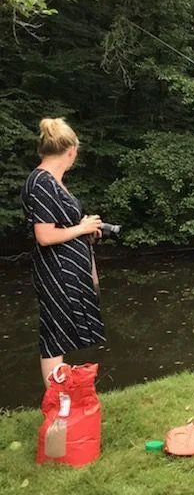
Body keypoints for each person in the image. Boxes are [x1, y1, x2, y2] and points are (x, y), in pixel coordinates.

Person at [19, 118, 106, 387]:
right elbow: (44, 236)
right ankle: (56, 400)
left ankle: (62, 395)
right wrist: (81, 228)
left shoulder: (53, 181)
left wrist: (85, 229)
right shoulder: (42, 182)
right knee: (54, 335)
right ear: (71, 151)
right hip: (55, 272)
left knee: (62, 332)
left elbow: (63, 226)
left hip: (67, 271)